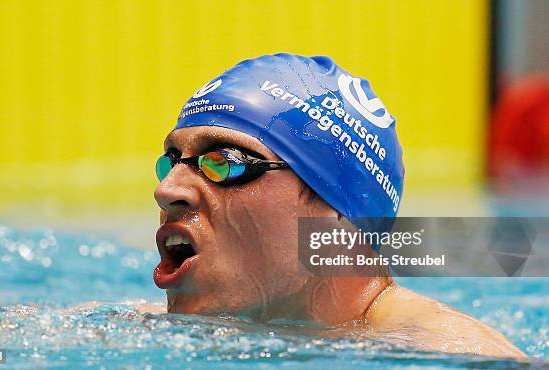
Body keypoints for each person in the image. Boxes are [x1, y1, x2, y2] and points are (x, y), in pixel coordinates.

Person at [152, 53, 526, 358]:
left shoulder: (453, 355)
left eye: (226, 162)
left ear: (339, 214)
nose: (168, 189)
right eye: (172, 160)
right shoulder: (150, 330)